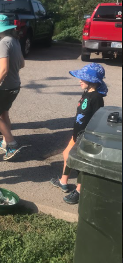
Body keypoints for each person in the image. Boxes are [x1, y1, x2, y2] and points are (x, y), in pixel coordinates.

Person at [50, 63, 108, 204]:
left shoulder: (97, 98)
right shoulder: (87, 93)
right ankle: (63, 182)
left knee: (80, 164)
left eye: (83, 78)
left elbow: (97, 119)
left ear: (93, 80)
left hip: (86, 136)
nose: (80, 80)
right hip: (76, 135)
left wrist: (91, 137)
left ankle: (79, 191)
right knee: (66, 155)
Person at [0, 15, 25, 161]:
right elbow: (21, 64)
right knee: (4, 113)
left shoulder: (2, 43)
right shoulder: (15, 41)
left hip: (4, 87)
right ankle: (4, 141)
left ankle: (12, 143)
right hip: (15, 84)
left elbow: (4, 69)